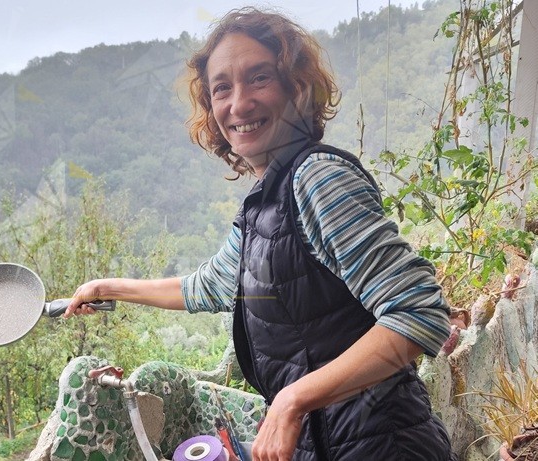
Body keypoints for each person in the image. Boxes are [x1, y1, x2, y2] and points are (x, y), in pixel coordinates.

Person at [64, 7, 454, 461]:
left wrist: (291, 401)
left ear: (297, 89)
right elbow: (209, 286)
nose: (239, 103)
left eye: (259, 78)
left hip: (382, 446)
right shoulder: (266, 201)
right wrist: (105, 287)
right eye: (222, 88)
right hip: (323, 443)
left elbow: (418, 313)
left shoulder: (316, 179)